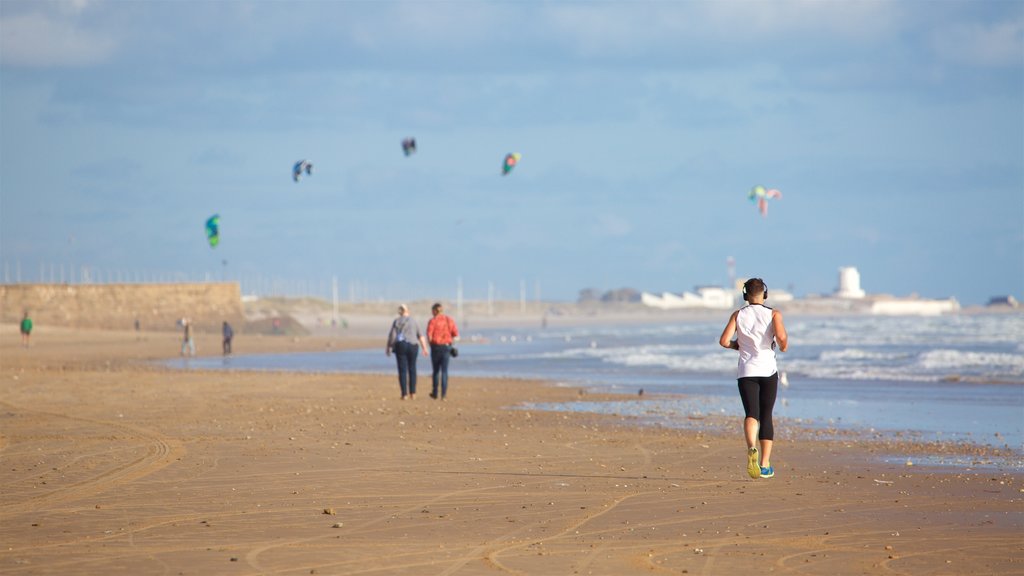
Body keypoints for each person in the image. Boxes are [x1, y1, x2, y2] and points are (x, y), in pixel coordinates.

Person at [719, 277, 788, 479]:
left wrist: (736, 345)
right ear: (764, 294)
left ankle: (751, 448)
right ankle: (765, 465)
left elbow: (724, 341)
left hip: (746, 372)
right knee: (766, 415)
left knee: (752, 414)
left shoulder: (738, 314)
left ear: (745, 295)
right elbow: (782, 338)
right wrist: (783, 346)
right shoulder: (774, 314)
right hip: (768, 371)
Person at [386, 304, 429, 400]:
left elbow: (392, 336)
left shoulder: (397, 321)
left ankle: (404, 394)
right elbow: (420, 336)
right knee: (412, 368)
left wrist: (389, 347)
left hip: (401, 345)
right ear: (408, 311)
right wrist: (424, 348)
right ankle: (413, 393)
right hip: (413, 345)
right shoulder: (413, 321)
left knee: (402, 370)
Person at [426, 302, 460, 400]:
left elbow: (429, 335)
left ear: (435, 310)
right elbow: (456, 334)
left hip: (436, 347)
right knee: (444, 371)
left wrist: (430, 345)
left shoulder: (433, 321)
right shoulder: (449, 320)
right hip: (446, 347)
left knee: (436, 371)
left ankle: (435, 392)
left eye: (432, 311)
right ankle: (443, 395)